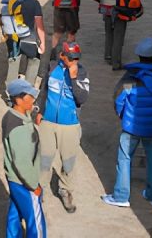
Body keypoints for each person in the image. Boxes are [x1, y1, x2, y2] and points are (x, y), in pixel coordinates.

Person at [102, 38, 152, 209]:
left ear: (140, 56)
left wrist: (123, 115)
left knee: (125, 158)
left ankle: (121, 196)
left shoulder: (131, 78)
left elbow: (119, 99)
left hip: (131, 126)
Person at [36, 41, 89, 214]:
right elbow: (43, 90)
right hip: (48, 121)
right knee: (44, 158)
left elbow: (82, 98)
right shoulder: (52, 68)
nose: (73, 61)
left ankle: (65, 189)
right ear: (62, 55)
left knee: (68, 161)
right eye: (70, 58)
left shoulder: (81, 72)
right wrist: (39, 110)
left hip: (70, 124)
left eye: (75, 58)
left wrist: (73, 79)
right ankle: (39, 188)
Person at [2, 78, 46, 238]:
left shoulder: (11, 116)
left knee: (15, 214)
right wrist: (33, 186)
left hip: (14, 179)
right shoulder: (18, 128)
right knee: (35, 220)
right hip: (24, 182)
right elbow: (21, 162)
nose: (33, 99)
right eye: (29, 96)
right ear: (18, 100)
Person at [2, 0, 46, 86]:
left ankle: (10, 95)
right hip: (28, 38)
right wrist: (42, 43)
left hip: (12, 37)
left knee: (13, 63)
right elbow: (39, 26)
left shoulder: (9, 1)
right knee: (34, 61)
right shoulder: (34, 3)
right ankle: (27, 90)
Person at [92, 0, 132, 69]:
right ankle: (116, 62)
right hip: (119, 11)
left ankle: (108, 56)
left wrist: (102, 2)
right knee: (118, 37)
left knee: (109, 34)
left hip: (107, 11)